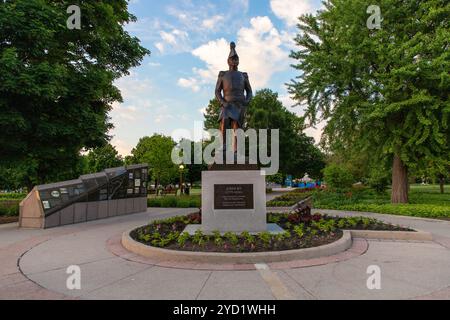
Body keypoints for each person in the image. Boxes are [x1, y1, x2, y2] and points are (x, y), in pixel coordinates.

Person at [215, 42, 253, 153]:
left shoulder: (243, 75)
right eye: (232, 58)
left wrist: (247, 100)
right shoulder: (223, 74)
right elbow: (217, 91)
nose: (235, 61)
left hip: (239, 104)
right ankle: (223, 146)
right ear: (228, 61)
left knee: (237, 126)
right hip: (227, 104)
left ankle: (237, 149)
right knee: (224, 121)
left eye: (236, 59)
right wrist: (222, 102)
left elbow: (249, 91)